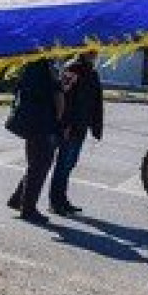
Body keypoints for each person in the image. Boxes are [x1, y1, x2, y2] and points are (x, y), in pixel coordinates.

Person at [5, 59, 62, 224]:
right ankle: (28, 209)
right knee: (41, 165)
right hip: (43, 123)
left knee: (34, 164)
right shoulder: (48, 68)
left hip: (29, 122)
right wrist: (58, 119)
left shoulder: (29, 65)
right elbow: (58, 96)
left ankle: (18, 200)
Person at [49, 51, 103, 215]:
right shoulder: (72, 68)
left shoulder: (92, 72)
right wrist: (65, 124)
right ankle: (55, 202)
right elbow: (64, 96)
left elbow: (96, 101)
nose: (95, 54)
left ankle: (62, 199)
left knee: (69, 164)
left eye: (96, 51)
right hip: (70, 126)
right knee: (63, 164)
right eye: (91, 51)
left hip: (81, 126)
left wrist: (96, 126)